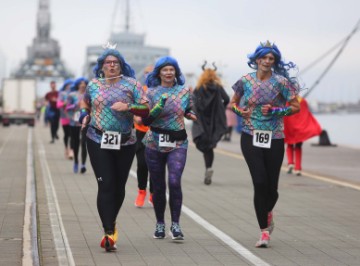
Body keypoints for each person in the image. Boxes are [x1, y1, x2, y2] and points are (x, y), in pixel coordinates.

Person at [79, 45, 149, 252]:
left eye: (115, 63)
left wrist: (128, 107)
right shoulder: (94, 85)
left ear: (121, 66)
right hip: (97, 138)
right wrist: (85, 116)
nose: (112, 65)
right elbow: (85, 104)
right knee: (106, 184)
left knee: (119, 188)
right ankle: (108, 231)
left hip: (125, 141)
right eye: (108, 63)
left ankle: (112, 222)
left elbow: (145, 109)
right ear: (101, 67)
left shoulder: (133, 85)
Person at [230, 41, 300, 248]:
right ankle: (264, 232)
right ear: (257, 60)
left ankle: (267, 211)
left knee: (272, 188)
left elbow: (295, 107)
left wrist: (277, 111)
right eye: (265, 58)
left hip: (275, 137)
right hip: (250, 134)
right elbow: (232, 103)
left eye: (272, 59)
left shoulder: (281, 83)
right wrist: (239, 112)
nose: (268, 61)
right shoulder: (245, 81)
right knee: (259, 182)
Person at [141, 56, 197, 241]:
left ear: (176, 72)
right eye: (164, 69)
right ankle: (159, 224)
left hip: (178, 142)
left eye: (171, 69)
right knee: (157, 185)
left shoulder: (184, 91)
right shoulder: (150, 93)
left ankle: (175, 225)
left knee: (174, 181)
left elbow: (189, 108)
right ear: (158, 73)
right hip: (154, 142)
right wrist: (159, 105)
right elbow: (146, 119)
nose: (168, 72)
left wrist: (191, 114)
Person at [191, 61, 229, 185]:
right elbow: (227, 99)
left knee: (201, 144)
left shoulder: (199, 87)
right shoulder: (218, 87)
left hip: (201, 120)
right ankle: (208, 168)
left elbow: (193, 102)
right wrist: (221, 108)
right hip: (214, 120)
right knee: (210, 146)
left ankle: (208, 168)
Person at [284, 96, 322, 176]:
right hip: (300, 128)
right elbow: (307, 115)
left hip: (290, 127)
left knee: (289, 145)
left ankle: (290, 163)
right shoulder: (303, 101)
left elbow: (285, 114)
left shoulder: (286, 101)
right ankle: (298, 168)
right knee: (298, 147)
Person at [134, 65, 154, 207]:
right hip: (141, 132)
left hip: (157, 132)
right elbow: (133, 109)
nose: (149, 76)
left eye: (151, 73)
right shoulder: (140, 91)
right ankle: (142, 191)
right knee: (142, 164)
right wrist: (136, 118)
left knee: (155, 165)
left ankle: (153, 193)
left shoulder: (163, 92)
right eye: (146, 73)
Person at [66, 77, 89, 173]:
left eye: (84, 84)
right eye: (81, 84)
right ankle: (76, 161)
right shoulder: (72, 95)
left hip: (86, 122)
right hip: (74, 122)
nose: (82, 85)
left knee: (84, 143)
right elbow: (67, 107)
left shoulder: (89, 95)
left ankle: (83, 164)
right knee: (75, 143)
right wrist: (76, 104)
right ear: (78, 85)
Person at [57, 79, 74, 159]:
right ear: (65, 86)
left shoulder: (74, 94)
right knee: (66, 134)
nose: (69, 87)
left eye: (71, 85)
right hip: (64, 116)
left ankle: (71, 150)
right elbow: (58, 105)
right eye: (68, 85)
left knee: (72, 134)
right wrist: (64, 103)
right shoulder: (62, 94)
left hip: (73, 117)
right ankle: (66, 148)